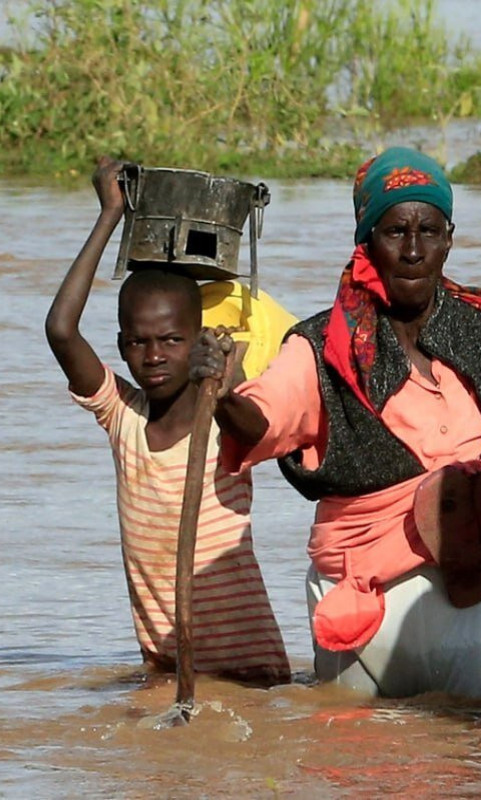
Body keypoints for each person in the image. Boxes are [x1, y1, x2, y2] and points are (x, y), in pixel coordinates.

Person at [191, 147, 481, 701]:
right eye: (394, 232)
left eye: (428, 230)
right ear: (366, 241)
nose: (412, 250)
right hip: (364, 596)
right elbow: (262, 417)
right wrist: (221, 395)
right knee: (365, 762)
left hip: (478, 589)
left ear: (449, 239)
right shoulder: (322, 348)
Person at [45, 156, 290, 686]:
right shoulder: (123, 420)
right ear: (122, 348)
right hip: (167, 669)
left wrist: (223, 391)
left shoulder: (223, 421)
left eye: (172, 341)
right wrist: (110, 214)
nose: (154, 356)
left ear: (199, 339)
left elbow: (258, 429)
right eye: (138, 343)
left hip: (251, 672)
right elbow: (62, 331)